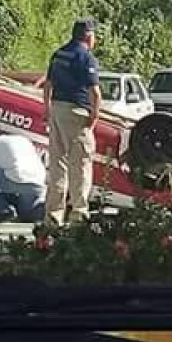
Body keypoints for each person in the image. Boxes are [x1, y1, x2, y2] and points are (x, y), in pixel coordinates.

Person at [43, 18, 101, 226]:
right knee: (81, 163)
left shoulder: (59, 54)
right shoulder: (85, 58)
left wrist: (46, 109)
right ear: (88, 35)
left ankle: (53, 213)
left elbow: (48, 85)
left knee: (57, 163)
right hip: (76, 112)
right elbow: (95, 92)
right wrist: (94, 117)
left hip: (57, 109)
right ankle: (79, 211)